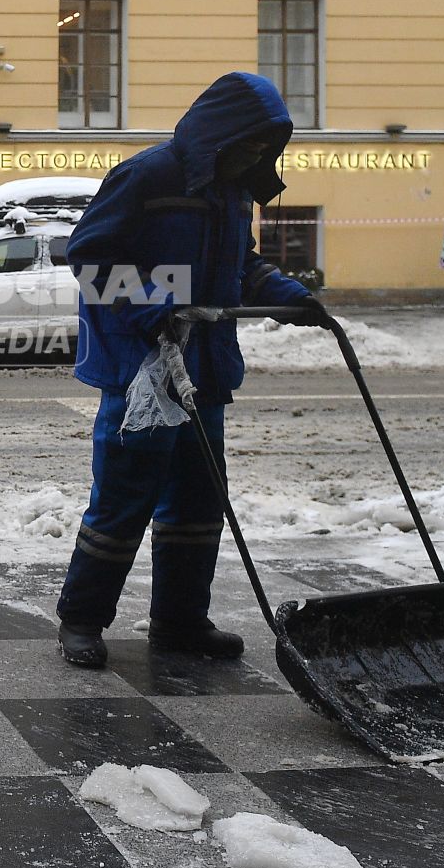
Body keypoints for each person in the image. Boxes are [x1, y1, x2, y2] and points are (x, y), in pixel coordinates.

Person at [56, 72, 325, 667]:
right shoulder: (146, 176)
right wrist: (154, 306)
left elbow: (239, 265)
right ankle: (81, 619)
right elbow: (90, 257)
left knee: (199, 501)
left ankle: (179, 622)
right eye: (252, 144)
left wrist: (287, 295)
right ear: (222, 134)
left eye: (267, 147)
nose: (259, 156)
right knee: (125, 499)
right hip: (142, 368)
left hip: (203, 368)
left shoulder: (230, 192)